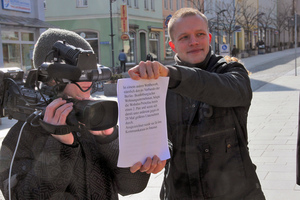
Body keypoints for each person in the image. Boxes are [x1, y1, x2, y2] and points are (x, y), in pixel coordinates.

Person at [0, 28, 165, 199]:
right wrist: (60, 145)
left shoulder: (97, 117)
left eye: (91, 69)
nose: (88, 79)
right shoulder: (25, 131)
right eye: (80, 71)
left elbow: (132, 186)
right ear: (51, 78)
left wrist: (109, 140)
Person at [128, 8, 265, 200]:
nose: (193, 41)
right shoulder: (159, 85)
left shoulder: (232, 72)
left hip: (236, 193)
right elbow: (161, 136)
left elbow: (218, 88)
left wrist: (172, 75)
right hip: (179, 192)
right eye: (184, 37)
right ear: (172, 45)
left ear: (209, 37)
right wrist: (157, 156)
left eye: (199, 34)